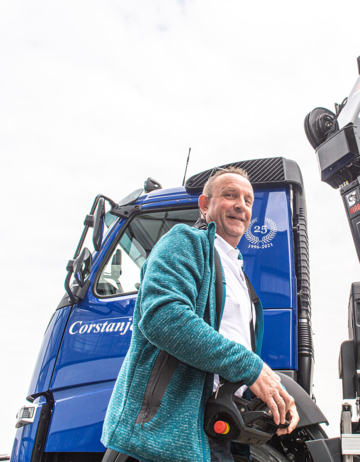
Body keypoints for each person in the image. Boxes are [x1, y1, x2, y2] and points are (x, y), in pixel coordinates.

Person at [101, 167, 299, 462]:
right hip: (177, 427)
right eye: (230, 195)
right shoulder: (184, 241)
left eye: (247, 200)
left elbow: (237, 350)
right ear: (205, 205)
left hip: (224, 426)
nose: (240, 205)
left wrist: (275, 394)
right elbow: (164, 318)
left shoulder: (241, 276)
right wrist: (251, 367)